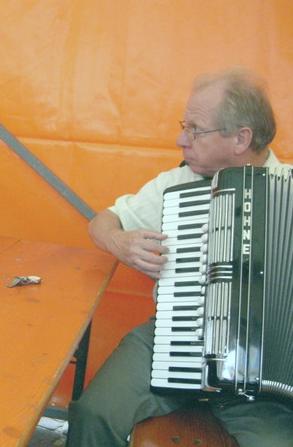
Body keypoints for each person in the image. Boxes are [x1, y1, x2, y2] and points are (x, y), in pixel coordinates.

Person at [67, 67, 293, 446]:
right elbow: (102, 222)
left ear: (241, 138)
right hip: (173, 337)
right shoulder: (177, 182)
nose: (180, 140)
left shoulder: (287, 190)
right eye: (184, 127)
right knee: (95, 413)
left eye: (195, 130)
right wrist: (120, 241)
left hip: (266, 374)